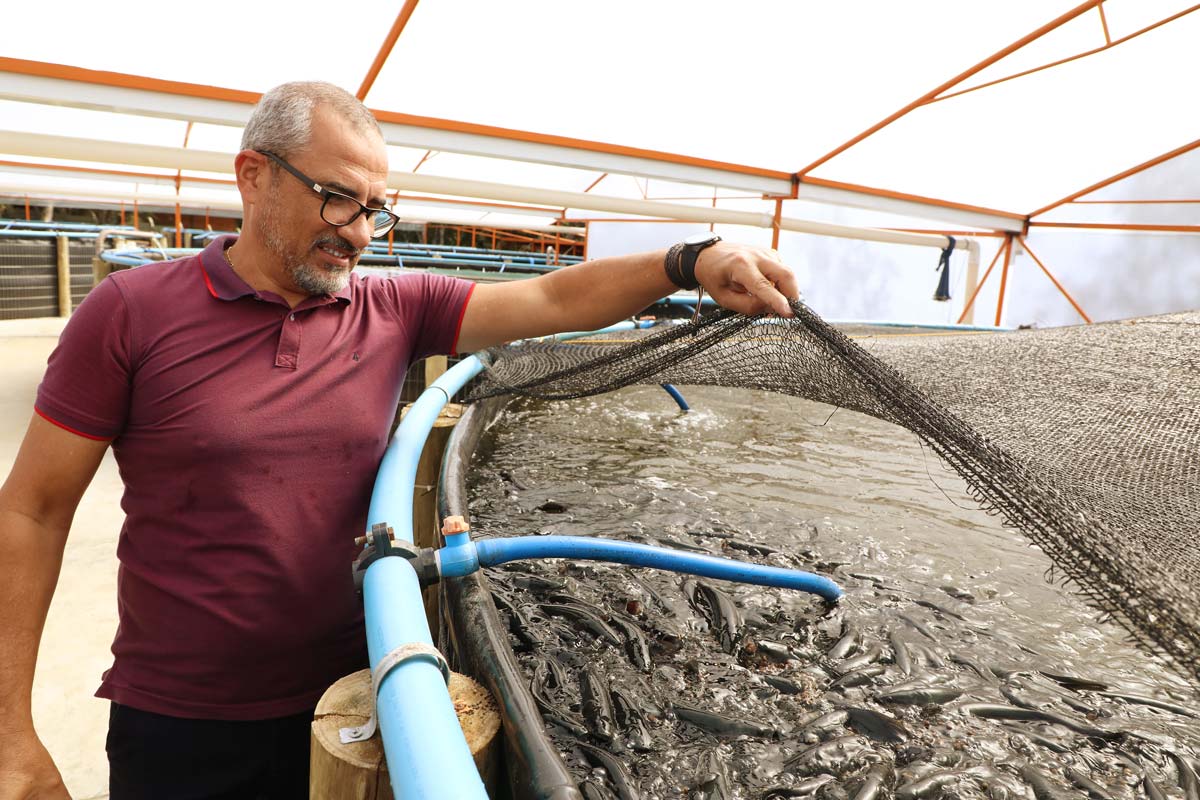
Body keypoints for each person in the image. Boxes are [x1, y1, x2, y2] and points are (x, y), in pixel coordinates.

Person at [0, 82, 798, 800]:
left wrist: (691, 260)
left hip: (359, 692)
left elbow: (556, 294)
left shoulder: (394, 308)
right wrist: (9, 735)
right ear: (254, 177)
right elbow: (31, 511)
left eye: (376, 209)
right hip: (185, 719)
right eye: (338, 199)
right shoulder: (130, 312)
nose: (360, 234)